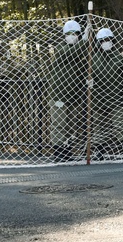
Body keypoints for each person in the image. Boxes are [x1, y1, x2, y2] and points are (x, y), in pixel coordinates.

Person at [91, 27, 123, 159]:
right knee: (99, 126)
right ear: (98, 43)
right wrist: (88, 83)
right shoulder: (93, 59)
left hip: (116, 97)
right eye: (103, 40)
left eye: (108, 40)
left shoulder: (119, 58)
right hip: (98, 98)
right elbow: (87, 75)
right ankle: (98, 151)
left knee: (119, 124)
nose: (106, 42)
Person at [47, 20, 89, 162]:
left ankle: (67, 151)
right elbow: (71, 53)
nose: (72, 36)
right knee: (59, 124)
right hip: (58, 96)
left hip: (73, 97)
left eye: (75, 34)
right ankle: (59, 152)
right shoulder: (60, 49)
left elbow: (86, 67)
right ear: (64, 35)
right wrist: (84, 40)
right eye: (69, 34)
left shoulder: (80, 56)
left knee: (70, 125)